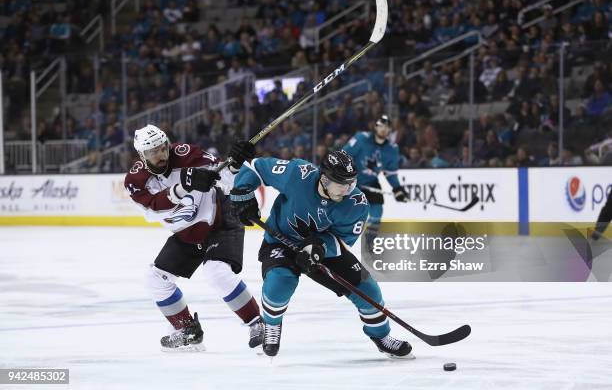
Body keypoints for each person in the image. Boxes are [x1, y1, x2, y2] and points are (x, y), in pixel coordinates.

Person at [230, 149, 412, 358]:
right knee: (280, 282)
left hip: (322, 251)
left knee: (368, 290)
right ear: (324, 179)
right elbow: (255, 166)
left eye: (351, 183)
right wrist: (243, 192)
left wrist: (318, 248)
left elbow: (343, 242)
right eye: (341, 183)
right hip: (280, 241)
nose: (347, 189)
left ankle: (381, 336)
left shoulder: (356, 204)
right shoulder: (297, 174)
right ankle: (271, 325)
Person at [124, 124, 263, 351]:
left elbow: (224, 176)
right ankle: (187, 330)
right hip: (187, 233)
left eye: (162, 148)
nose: (160, 155)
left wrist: (236, 164)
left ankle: (257, 323)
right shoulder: (136, 180)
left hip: (220, 220)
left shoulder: (186, 153)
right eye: (152, 152)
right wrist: (182, 188)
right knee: (154, 279)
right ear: (142, 155)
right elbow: (153, 209)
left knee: (216, 272)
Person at [343, 115, 408, 252]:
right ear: (376, 127)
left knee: (377, 209)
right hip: (351, 182)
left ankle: (370, 242)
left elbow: (390, 173)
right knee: (346, 212)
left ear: (390, 130)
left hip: (370, 182)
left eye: (387, 127)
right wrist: (347, 177)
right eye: (381, 126)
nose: (383, 129)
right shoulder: (361, 139)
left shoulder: (392, 149)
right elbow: (343, 155)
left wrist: (397, 188)